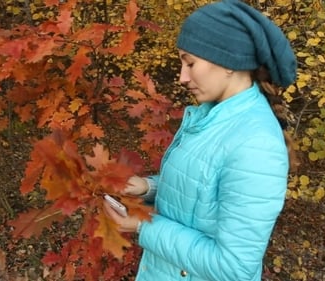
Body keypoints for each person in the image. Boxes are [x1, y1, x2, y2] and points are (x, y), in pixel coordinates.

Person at [103, 0, 298, 280]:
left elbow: (234, 268)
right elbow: (201, 191)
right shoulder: (213, 117)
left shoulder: (257, 145)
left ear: (230, 62)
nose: (183, 77)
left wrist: (143, 227)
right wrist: (147, 187)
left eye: (190, 63)